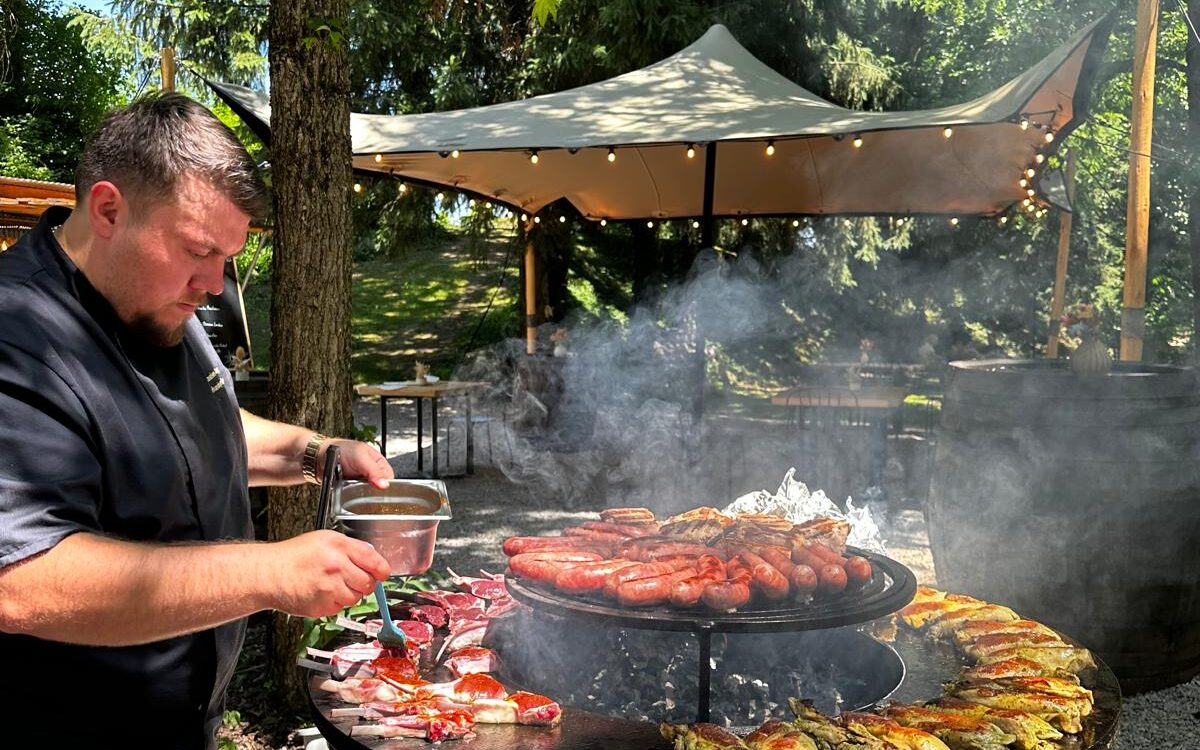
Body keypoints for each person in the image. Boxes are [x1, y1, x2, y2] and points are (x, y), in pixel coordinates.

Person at [0, 93, 393, 749]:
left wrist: (312, 452)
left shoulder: (156, 300)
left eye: (227, 258)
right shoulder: (19, 337)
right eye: (199, 250)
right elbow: (23, 579)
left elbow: (203, 425)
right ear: (107, 210)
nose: (215, 285)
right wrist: (268, 575)